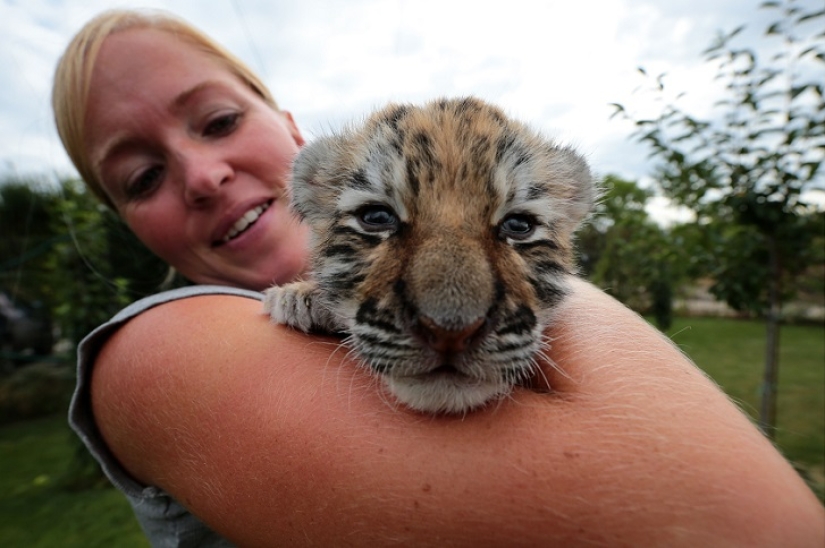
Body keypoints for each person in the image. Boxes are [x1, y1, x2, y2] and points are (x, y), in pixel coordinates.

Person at [53, 8, 824, 547]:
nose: (449, 308)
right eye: (142, 176)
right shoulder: (151, 357)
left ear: (295, 140)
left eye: (217, 121)